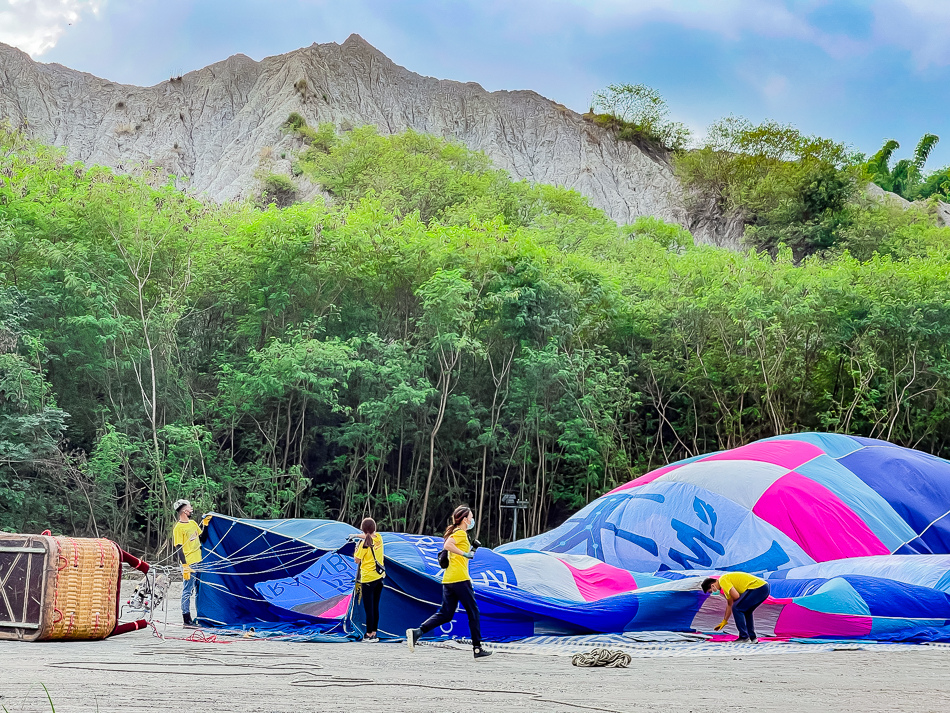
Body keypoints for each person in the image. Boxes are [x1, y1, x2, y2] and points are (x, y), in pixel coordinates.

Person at [406, 505, 492, 659]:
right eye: (471, 517)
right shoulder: (459, 533)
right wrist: (464, 553)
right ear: (465, 520)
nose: (472, 520)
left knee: (446, 614)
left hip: (449, 580)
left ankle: (417, 632)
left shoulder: (458, 533)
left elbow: (459, 553)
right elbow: (447, 545)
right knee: (473, 611)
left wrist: (469, 551)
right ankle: (477, 648)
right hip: (460, 579)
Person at [172, 499, 211, 627]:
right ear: (184, 510)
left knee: (199, 589)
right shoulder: (178, 528)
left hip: (199, 560)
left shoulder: (193, 523)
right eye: (190, 507)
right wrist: (185, 565)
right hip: (189, 563)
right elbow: (178, 548)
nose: (192, 509)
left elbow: (203, 538)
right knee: (187, 591)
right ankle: (186, 619)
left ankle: (200, 616)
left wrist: (205, 524)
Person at [702, 572, 771, 643]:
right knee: (746, 611)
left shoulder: (722, 580)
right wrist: (725, 620)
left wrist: (735, 601)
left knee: (737, 608)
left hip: (757, 587)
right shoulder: (725, 586)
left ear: (713, 586)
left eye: (711, 591)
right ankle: (752, 638)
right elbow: (729, 605)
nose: (714, 592)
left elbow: (736, 596)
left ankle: (744, 637)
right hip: (764, 588)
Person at [353, 517, 385, 641]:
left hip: (367, 579)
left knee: (368, 608)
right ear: (374, 529)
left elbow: (357, 560)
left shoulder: (363, 545)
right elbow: (371, 535)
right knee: (375, 606)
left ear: (363, 530)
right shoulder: (379, 539)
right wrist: (358, 535)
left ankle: (368, 634)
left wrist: (355, 550)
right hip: (379, 577)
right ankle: (374, 633)